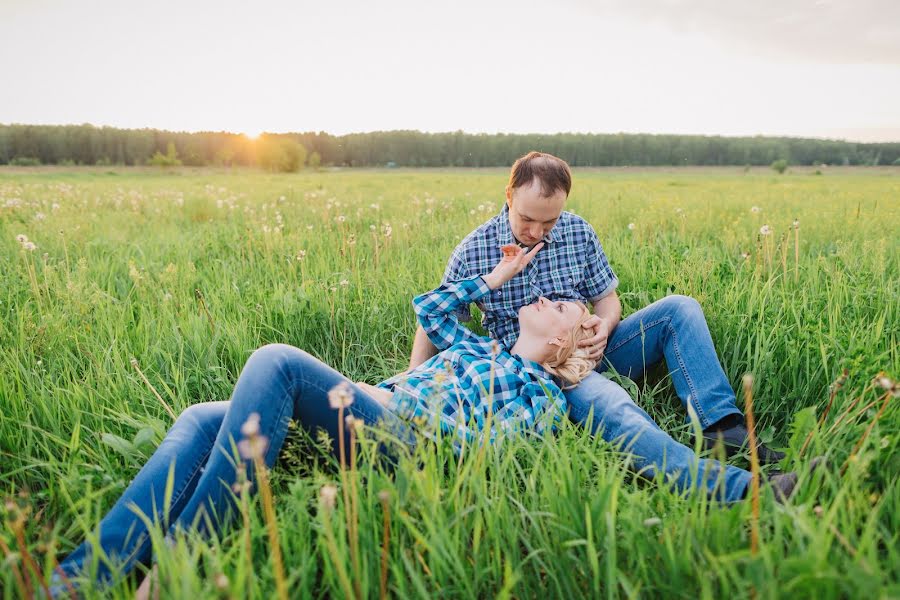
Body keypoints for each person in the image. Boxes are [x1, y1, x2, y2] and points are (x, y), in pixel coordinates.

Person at [49, 242, 599, 596]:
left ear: (558, 341)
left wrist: (397, 406)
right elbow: (430, 310)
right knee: (198, 419)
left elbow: (486, 453)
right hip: (368, 414)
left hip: (408, 446)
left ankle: (174, 570)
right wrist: (497, 275)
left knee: (278, 362)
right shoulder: (480, 348)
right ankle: (77, 582)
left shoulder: (541, 396)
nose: (545, 297)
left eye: (559, 305)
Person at [408, 151, 787, 499]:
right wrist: (414, 377)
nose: (537, 232)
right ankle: (736, 490)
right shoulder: (475, 249)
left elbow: (606, 297)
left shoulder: (578, 232)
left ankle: (722, 427)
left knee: (679, 309)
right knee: (614, 406)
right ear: (508, 195)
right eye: (527, 219)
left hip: (595, 346)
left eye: (549, 221)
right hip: (542, 368)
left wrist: (606, 325)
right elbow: (435, 318)